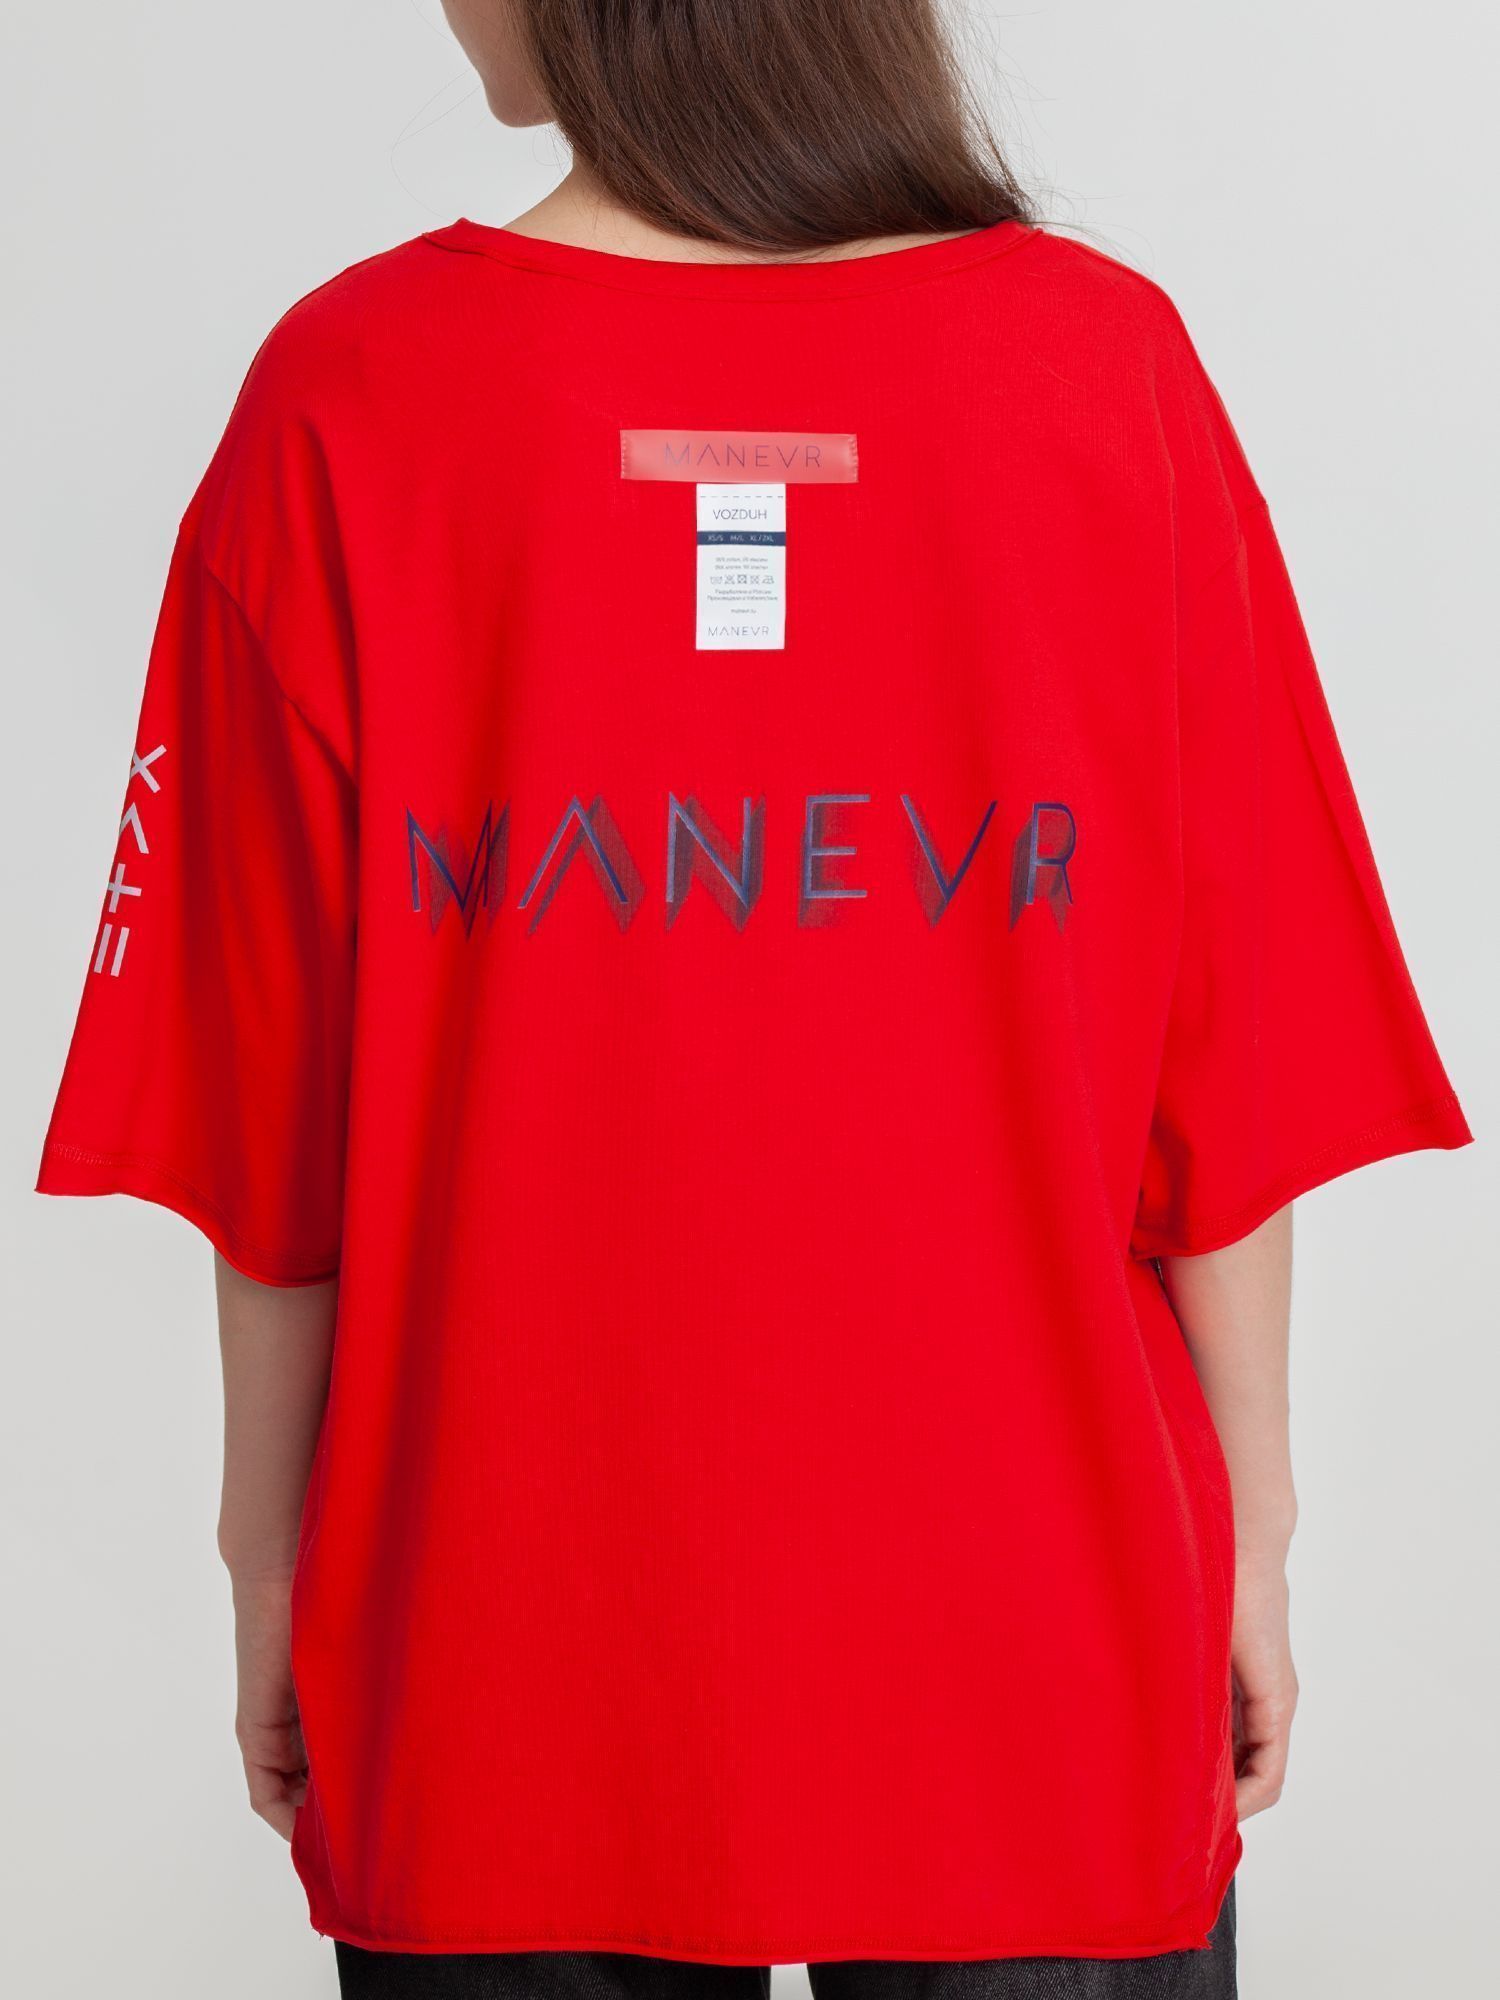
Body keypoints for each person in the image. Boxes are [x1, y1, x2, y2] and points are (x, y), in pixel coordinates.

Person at [37, 2, 1470, 1996]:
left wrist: (264, 1552)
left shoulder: (352, 394)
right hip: (1040, 1629)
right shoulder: (1104, 371)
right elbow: (1226, 1079)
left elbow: (266, 1115)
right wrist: (1252, 1526)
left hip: (496, 1642)